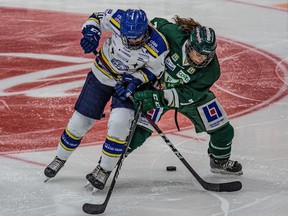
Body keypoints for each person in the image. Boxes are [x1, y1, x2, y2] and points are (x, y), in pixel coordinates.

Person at [44, 8, 169, 190]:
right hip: (101, 76)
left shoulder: (159, 44)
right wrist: (91, 34)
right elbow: (95, 18)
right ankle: (59, 158)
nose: (133, 41)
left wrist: (135, 81)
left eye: (138, 37)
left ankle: (104, 170)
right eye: (129, 37)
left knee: (119, 124)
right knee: (79, 122)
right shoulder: (117, 17)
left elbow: (154, 70)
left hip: (127, 87)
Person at [129, 16, 243, 176]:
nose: (202, 59)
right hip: (155, 86)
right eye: (199, 53)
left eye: (207, 55)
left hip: (185, 96)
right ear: (189, 45)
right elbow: (151, 24)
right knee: (136, 132)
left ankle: (219, 161)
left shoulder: (212, 70)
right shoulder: (172, 34)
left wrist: (157, 98)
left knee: (223, 131)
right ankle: (107, 164)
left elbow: (190, 94)